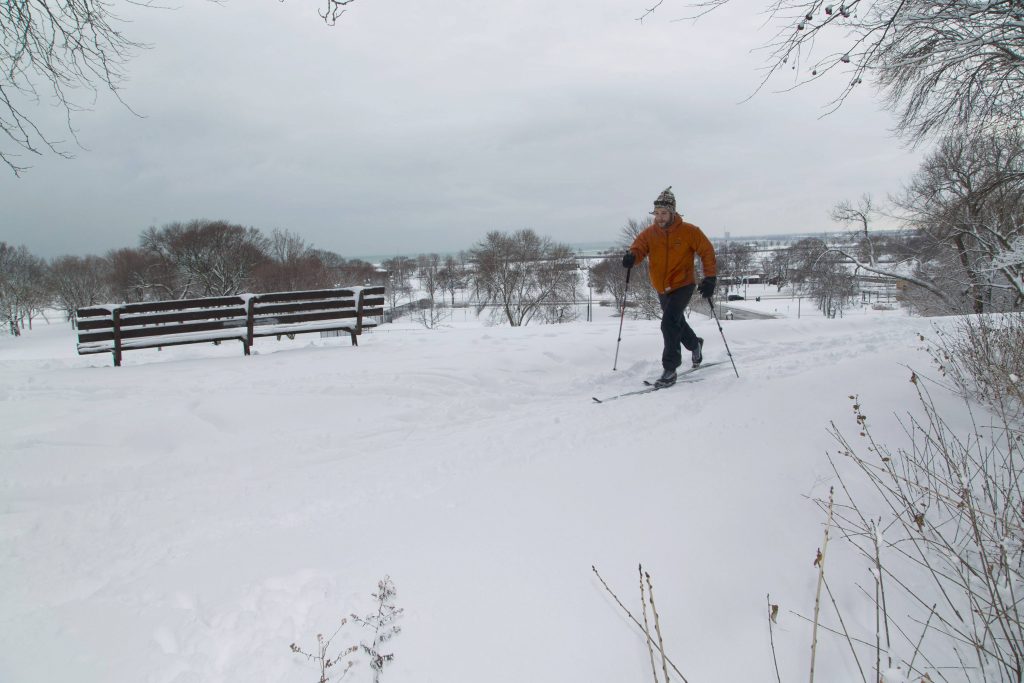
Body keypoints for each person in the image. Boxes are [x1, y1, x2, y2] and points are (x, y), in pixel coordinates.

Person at [622, 187, 717, 388]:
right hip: (661, 287)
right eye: (656, 213)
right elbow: (638, 248)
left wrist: (710, 278)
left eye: (663, 213)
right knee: (676, 322)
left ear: (673, 212)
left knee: (668, 324)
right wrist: (632, 257)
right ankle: (695, 344)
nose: (659, 217)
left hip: (683, 283)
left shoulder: (690, 232)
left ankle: (670, 369)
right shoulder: (650, 233)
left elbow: (707, 251)